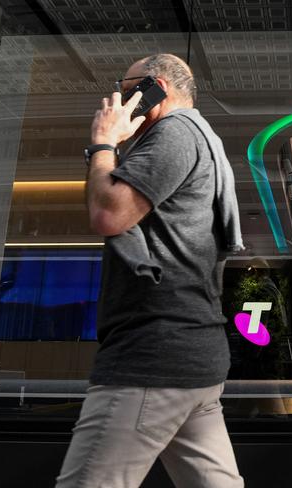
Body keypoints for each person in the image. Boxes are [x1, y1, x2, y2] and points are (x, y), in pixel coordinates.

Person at [55, 54, 244, 488]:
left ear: (153, 87)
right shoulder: (200, 137)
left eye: (125, 88)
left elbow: (109, 214)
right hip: (191, 358)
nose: (118, 99)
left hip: (152, 356)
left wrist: (104, 144)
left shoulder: (174, 133)